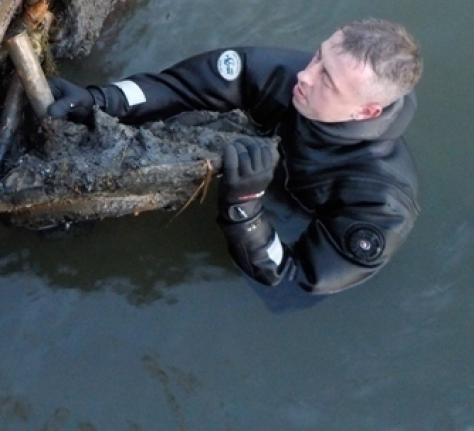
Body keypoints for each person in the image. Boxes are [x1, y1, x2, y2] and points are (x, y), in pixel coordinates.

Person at [47, 18, 423, 296]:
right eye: (319, 58)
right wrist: (100, 101)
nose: (306, 77)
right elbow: (180, 87)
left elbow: (292, 286)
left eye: (328, 81)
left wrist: (244, 208)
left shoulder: (381, 202)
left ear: (366, 112)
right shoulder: (281, 74)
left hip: (300, 212)